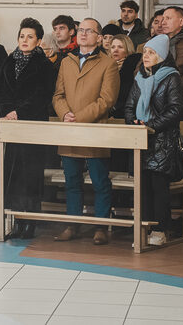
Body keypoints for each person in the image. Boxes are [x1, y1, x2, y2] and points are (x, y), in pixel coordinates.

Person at [53, 18, 120, 245]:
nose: (83, 34)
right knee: (72, 181)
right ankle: (72, 224)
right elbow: (58, 95)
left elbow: (107, 100)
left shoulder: (108, 64)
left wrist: (79, 117)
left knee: (100, 181)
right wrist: (65, 114)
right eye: (80, 30)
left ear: (99, 37)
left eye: (89, 31)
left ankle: (100, 226)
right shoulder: (67, 62)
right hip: (70, 130)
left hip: (94, 130)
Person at [0, 18, 56, 239]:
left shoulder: (44, 65)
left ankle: (31, 221)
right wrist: (6, 110)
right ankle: (16, 220)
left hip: (32, 124)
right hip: (11, 126)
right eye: (22, 36)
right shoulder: (9, 61)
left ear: (38, 41)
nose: (25, 40)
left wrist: (19, 112)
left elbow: (43, 95)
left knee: (30, 174)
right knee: (13, 174)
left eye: (30, 37)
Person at [125, 35, 183, 246]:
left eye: (151, 52)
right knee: (143, 188)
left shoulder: (172, 77)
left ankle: (160, 230)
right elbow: (129, 106)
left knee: (159, 188)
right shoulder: (140, 77)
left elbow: (175, 109)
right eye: (145, 52)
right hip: (141, 141)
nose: (146, 56)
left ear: (162, 55)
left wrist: (151, 125)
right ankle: (143, 229)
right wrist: (134, 122)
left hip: (162, 142)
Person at [109, 34, 141, 119]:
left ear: (127, 50)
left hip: (125, 115)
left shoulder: (132, 67)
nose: (115, 50)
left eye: (120, 47)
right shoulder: (105, 66)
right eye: (113, 47)